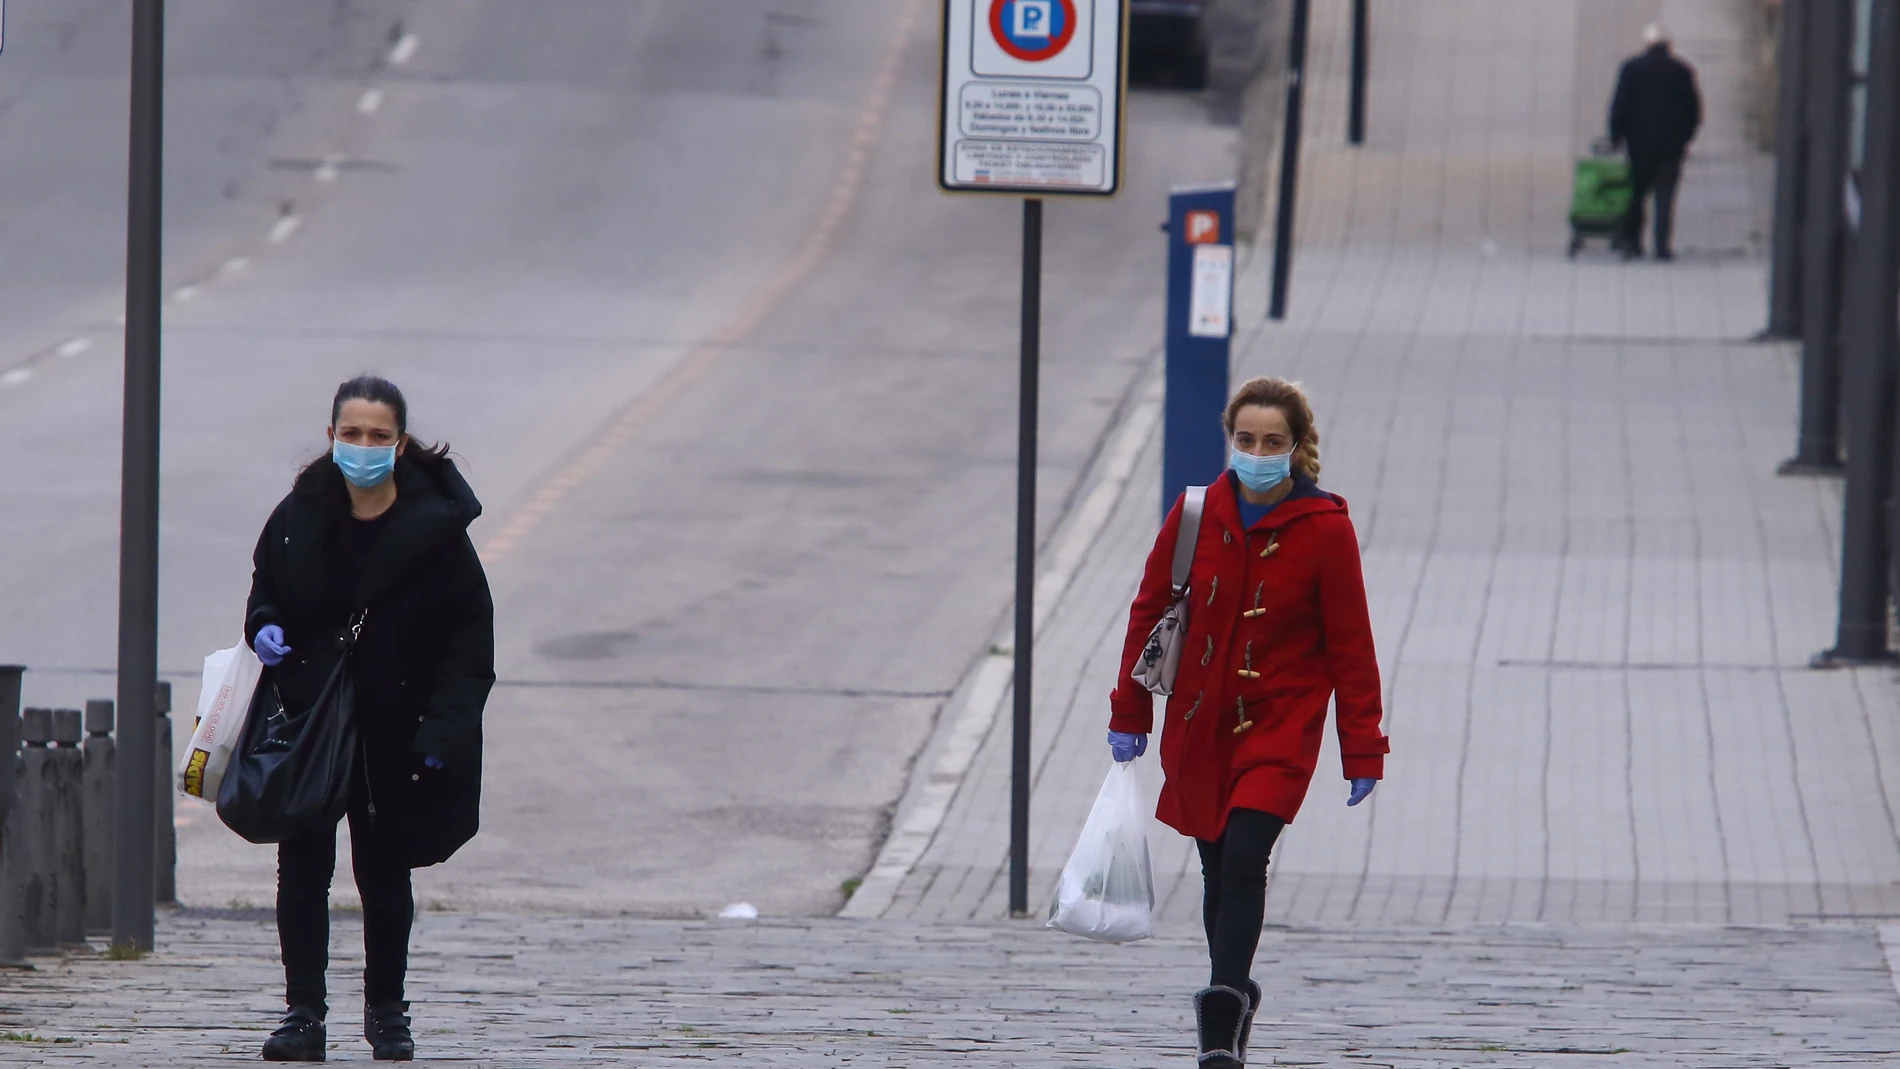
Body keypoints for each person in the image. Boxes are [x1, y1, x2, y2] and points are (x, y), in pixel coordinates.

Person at [1106, 377, 1388, 1068]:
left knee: (1243, 857)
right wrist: (1130, 709)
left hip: (1279, 726)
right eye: (1246, 439)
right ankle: (1233, 992)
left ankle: (1221, 1010)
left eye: (1272, 442)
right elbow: (1149, 611)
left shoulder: (1325, 530)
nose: (1257, 452)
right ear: (1231, 439)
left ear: (1294, 448)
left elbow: (1351, 646)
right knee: (1213, 864)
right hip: (1200, 724)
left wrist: (1363, 748)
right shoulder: (1196, 514)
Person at [245, 375, 495, 1062]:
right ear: (330, 438)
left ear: (400, 443)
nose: (362, 446)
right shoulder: (298, 517)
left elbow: (469, 645)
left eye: (377, 435)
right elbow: (268, 584)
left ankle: (387, 1010)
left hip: (397, 730)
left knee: (384, 874)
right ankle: (303, 1012)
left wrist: (443, 734)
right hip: (311, 720)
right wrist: (263, 625)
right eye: (350, 433)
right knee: (302, 868)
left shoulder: (436, 535)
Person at [1609, 22, 1702, 261]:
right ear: (1669, 45)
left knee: (1636, 194)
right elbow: (1694, 110)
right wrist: (1685, 137)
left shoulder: (1631, 68)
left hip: (1639, 145)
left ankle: (1633, 243)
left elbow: (1621, 105)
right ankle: (1661, 247)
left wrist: (1616, 135)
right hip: (1671, 146)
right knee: (1665, 197)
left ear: (1647, 43)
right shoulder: (1682, 71)